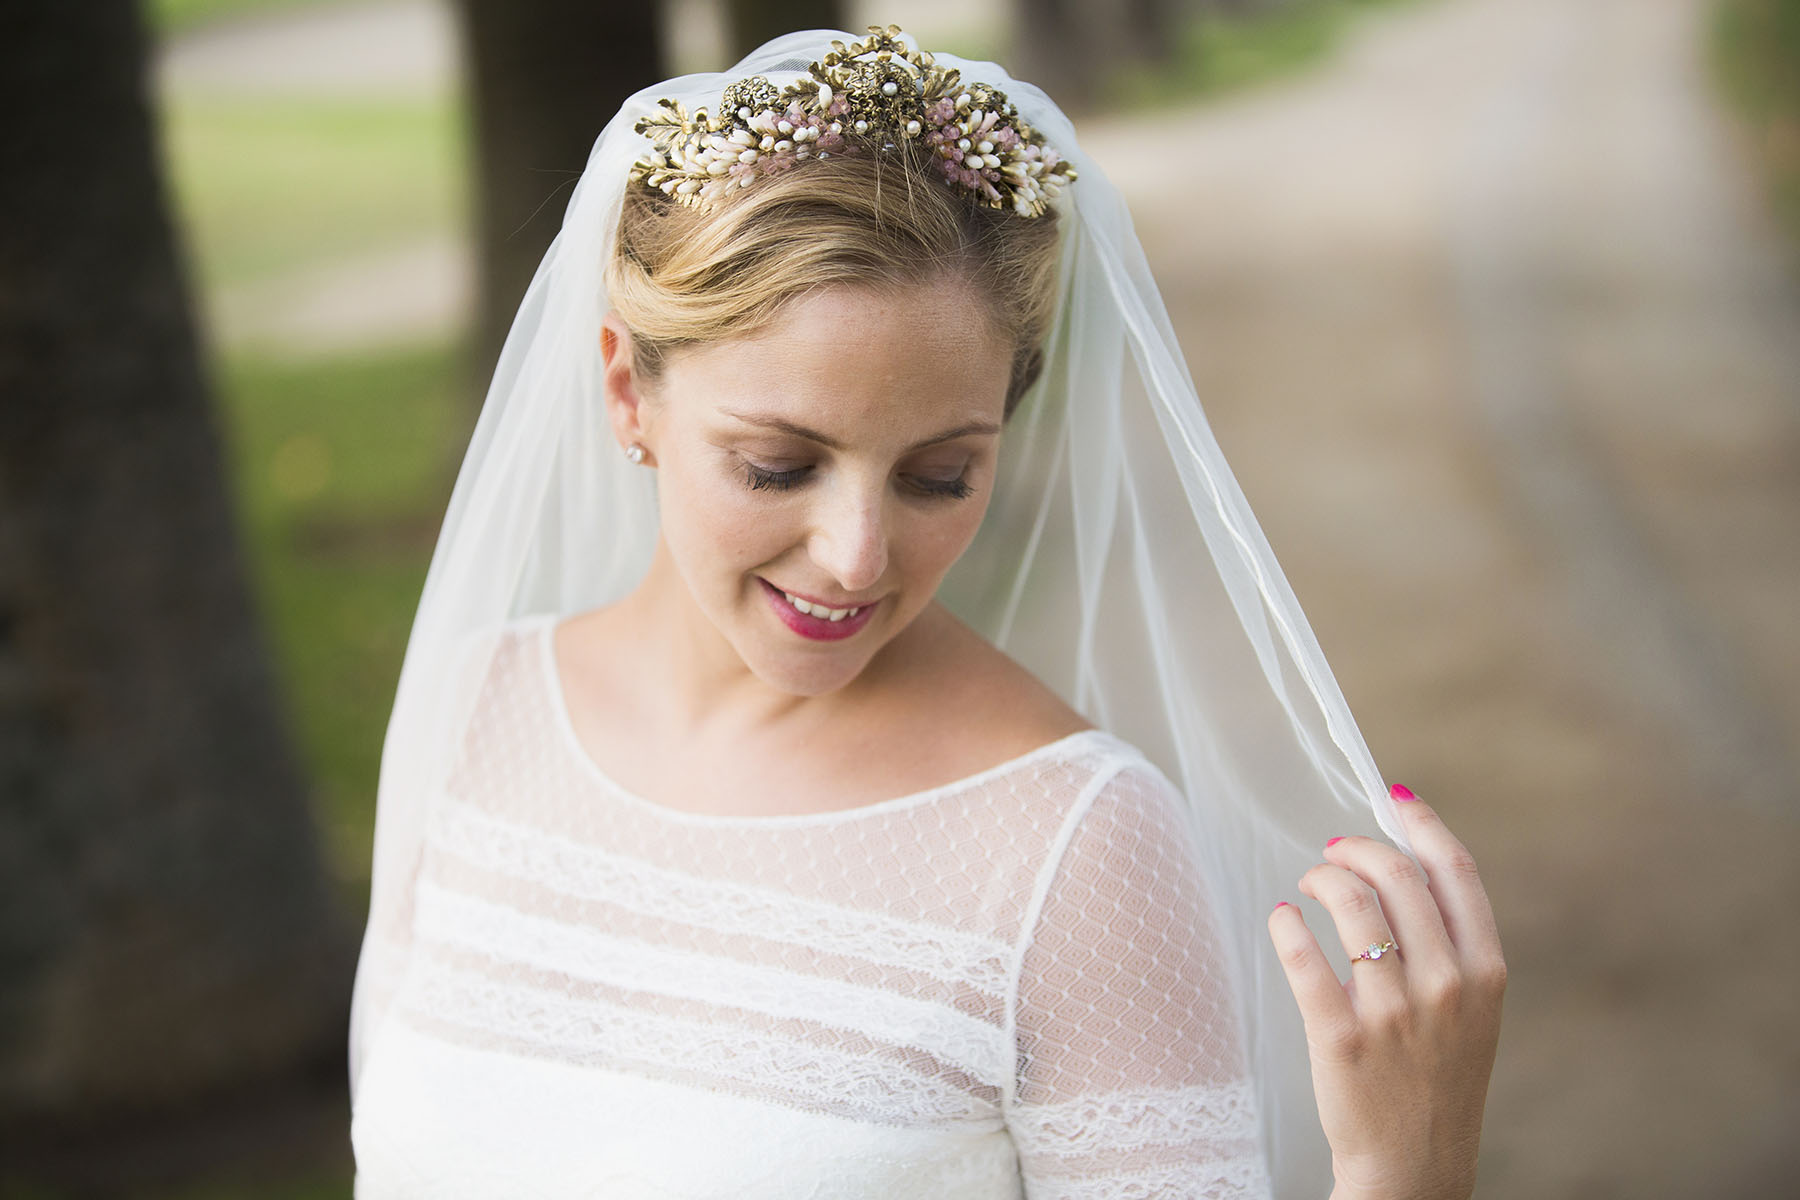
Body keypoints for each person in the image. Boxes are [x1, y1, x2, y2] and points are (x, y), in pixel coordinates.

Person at [346, 25, 1504, 1199]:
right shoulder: (477, 709)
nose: (855, 557)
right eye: (778, 467)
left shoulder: (1074, 851)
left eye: (939, 477)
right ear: (623, 391)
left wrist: (1408, 1170)